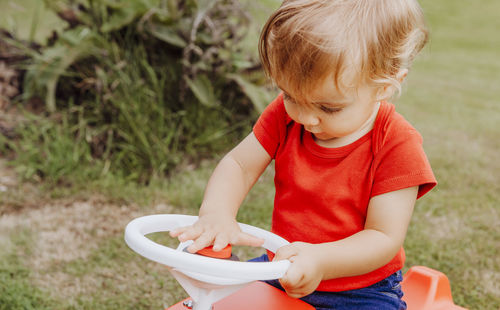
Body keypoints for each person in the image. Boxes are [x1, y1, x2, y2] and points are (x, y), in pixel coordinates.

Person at [170, 0, 436, 309]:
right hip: (279, 270)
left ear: (386, 85)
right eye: (290, 95)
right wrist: (217, 212)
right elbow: (239, 165)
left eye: (328, 107)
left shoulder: (396, 143)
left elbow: (382, 237)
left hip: (360, 290)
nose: (306, 118)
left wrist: (321, 260)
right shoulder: (285, 116)